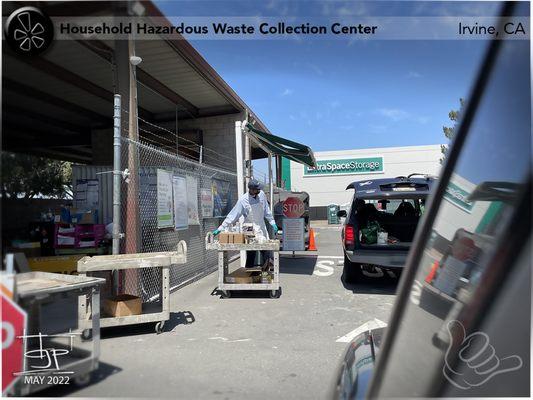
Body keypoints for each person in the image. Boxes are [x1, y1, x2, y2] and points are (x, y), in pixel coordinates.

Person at [212, 179, 279, 268]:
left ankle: (266, 275)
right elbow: (233, 215)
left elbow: (266, 210)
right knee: (251, 254)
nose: (259, 191)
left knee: (267, 253)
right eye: (257, 189)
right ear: (251, 189)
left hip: (261, 227)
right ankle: (249, 276)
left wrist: (272, 222)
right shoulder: (243, 200)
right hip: (249, 229)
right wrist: (220, 228)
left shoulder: (262, 195)